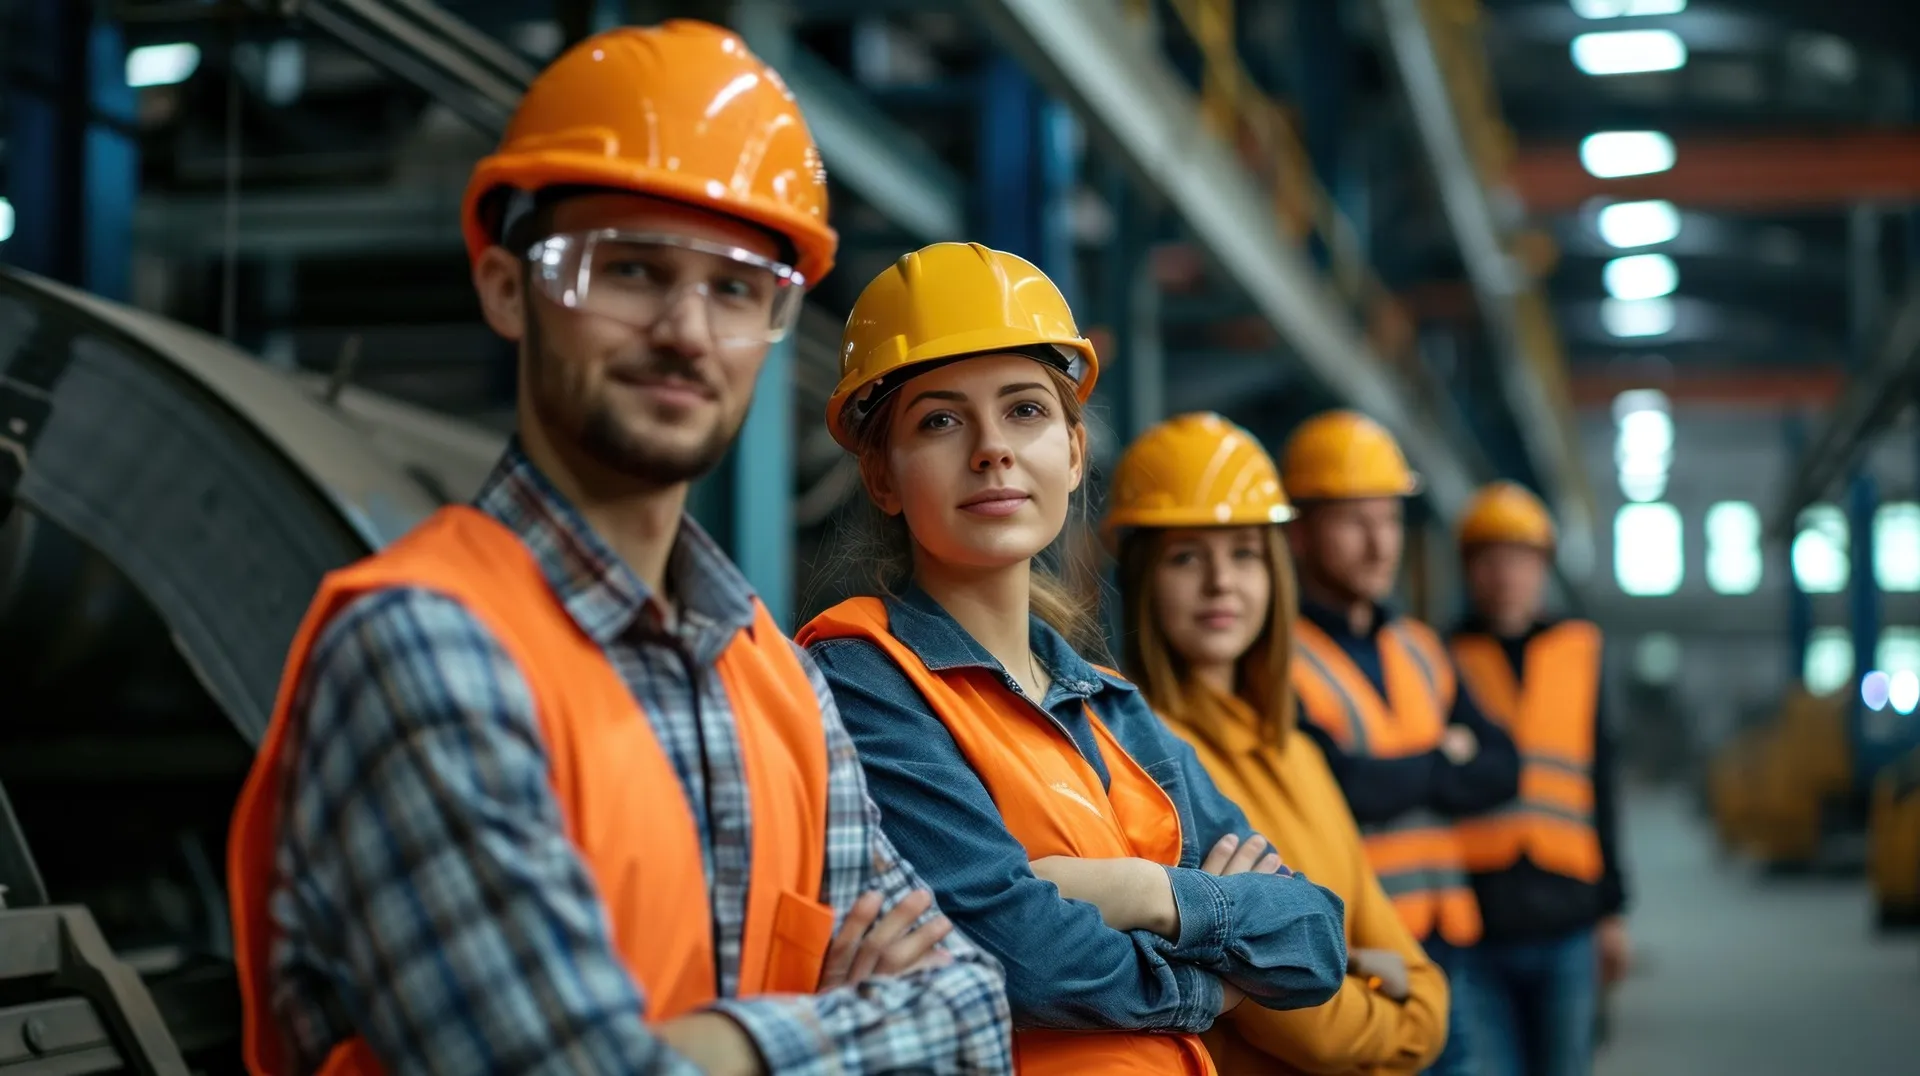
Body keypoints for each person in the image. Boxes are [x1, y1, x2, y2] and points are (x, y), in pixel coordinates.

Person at [225, 23, 1012, 1075]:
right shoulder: (424, 650)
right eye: (630, 270)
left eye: (736, 288)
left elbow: (976, 1014)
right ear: (509, 289)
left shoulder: (777, 680)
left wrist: (714, 1047)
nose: (688, 329)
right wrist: (828, 1028)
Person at [795, 243, 1349, 1075]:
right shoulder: (865, 680)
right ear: (881, 475)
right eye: (940, 420)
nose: (992, 449)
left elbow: (1314, 939)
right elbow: (1021, 955)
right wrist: (1218, 981)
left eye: (1025, 411)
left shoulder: (1111, 708)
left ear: (1075, 452)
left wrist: (1138, 893)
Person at [1105, 411, 1450, 1075]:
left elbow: (1408, 961)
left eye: (1244, 555)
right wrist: (1402, 1020)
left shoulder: (1300, 752)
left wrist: (1381, 992)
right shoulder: (1139, 762)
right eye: (1185, 557)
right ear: (1144, 576)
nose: (1221, 583)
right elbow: (1303, 1026)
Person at [1277, 410, 1521, 1076]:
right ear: (1300, 533)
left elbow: (1502, 768)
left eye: (1388, 520)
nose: (1379, 544)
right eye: (1354, 521)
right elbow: (1341, 789)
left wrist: (1394, 775)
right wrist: (1445, 759)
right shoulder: (1278, 659)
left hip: (1447, 942)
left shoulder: (1420, 647)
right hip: (1357, 952)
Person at [1447, 481, 1630, 1076]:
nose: (1506, 576)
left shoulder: (1580, 650)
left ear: (1543, 569)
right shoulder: (1436, 654)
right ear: (1470, 569)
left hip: (1568, 920)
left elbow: (1601, 781)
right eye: (1490, 559)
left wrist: (1613, 913)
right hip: (1476, 924)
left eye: (1521, 560)